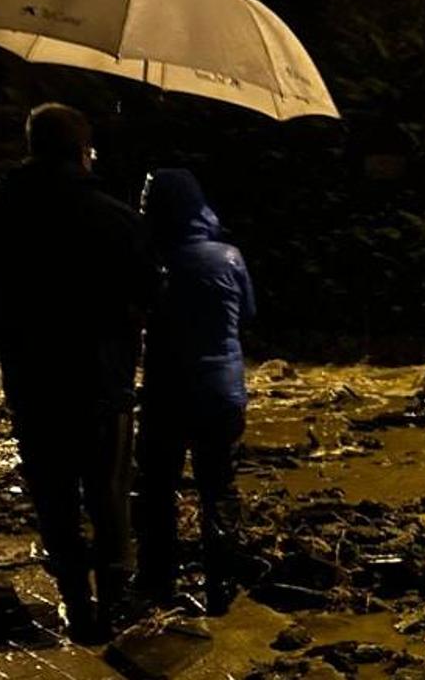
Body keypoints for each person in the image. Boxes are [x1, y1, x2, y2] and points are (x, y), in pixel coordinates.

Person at [0, 103, 158, 643]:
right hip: (102, 380)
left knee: (54, 495)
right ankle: (114, 602)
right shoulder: (118, 218)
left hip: (33, 379)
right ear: (83, 152)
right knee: (109, 495)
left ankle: (76, 601)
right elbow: (150, 295)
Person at [136, 168, 255, 616]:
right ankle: (222, 586)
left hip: (167, 391)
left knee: (156, 488)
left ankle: (156, 582)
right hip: (222, 391)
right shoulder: (229, 257)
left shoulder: (148, 259)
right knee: (219, 485)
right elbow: (246, 314)